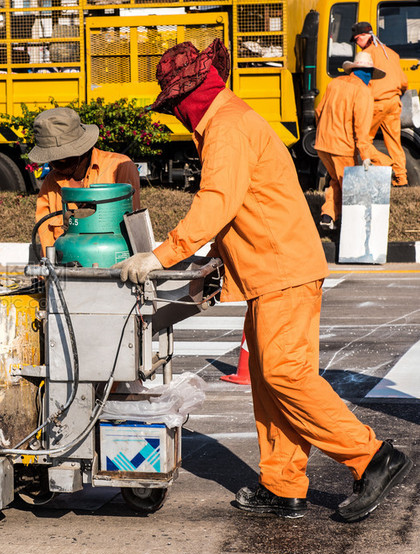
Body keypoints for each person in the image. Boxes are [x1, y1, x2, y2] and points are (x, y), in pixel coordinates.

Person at [113, 39, 412, 521]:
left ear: (190, 98)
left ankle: (373, 457)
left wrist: (162, 255)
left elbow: (216, 202)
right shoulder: (227, 119)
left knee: (285, 376)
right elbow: (242, 207)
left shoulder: (226, 128)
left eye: (175, 106)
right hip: (269, 269)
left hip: (281, 270)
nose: (176, 117)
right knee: (271, 384)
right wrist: (215, 268)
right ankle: (283, 484)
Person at [29, 107, 141, 255]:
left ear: (81, 151)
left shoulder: (119, 167)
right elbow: (46, 236)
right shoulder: (51, 182)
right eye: (50, 160)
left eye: (60, 160)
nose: (53, 165)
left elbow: (132, 228)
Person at [314, 51, 382, 230]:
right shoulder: (363, 91)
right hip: (342, 147)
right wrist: (365, 155)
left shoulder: (334, 83)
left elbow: (318, 111)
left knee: (336, 180)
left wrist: (323, 131)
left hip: (322, 144)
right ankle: (353, 228)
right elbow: (362, 127)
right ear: (369, 73)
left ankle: (328, 216)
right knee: (351, 189)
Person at [352, 21, 410, 187]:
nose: (357, 44)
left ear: (364, 36)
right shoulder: (391, 53)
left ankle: (384, 167)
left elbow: (360, 83)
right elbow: (404, 82)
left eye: (356, 39)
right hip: (394, 103)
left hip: (376, 104)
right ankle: (401, 179)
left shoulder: (367, 55)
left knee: (362, 141)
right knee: (394, 143)